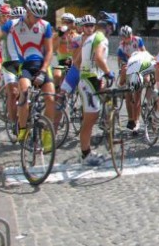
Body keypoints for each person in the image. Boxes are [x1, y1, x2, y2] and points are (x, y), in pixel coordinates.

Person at [0, 0, 55, 150]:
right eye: (35, 16)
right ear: (28, 11)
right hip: (23, 65)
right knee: (23, 92)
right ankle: (22, 129)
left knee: (51, 98)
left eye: (40, 17)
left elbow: (50, 51)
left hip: (42, 65)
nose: (37, 19)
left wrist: (44, 71)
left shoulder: (45, 26)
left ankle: (47, 134)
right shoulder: (13, 24)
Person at [75, 14, 115, 166]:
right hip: (91, 80)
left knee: (91, 117)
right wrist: (107, 72)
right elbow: (99, 57)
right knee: (90, 120)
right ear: (108, 27)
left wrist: (86, 72)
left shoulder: (89, 39)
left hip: (87, 79)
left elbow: (77, 62)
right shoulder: (101, 38)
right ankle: (85, 155)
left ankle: (87, 150)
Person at [117, 25, 146, 133]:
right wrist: (122, 72)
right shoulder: (121, 46)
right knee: (128, 96)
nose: (126, 39)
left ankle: (137, 121)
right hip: (128, 69)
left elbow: (144, 52)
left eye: (128, 36)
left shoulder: (138, 40)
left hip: (138, 67)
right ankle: (130, 119)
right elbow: (119, 61)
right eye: (124, 37)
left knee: (137, 97)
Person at [52, 12, 78, 89]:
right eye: (64, 22)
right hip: (62, 62)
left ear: (73, 24)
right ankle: (55, 91)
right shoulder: (57, 35)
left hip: (73, 62)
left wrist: (71, 42)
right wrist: (60, 37)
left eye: (69, 22)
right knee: (57, 75)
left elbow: (77, 49)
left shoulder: (75, 36)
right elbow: (53, 49)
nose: (66, 24)